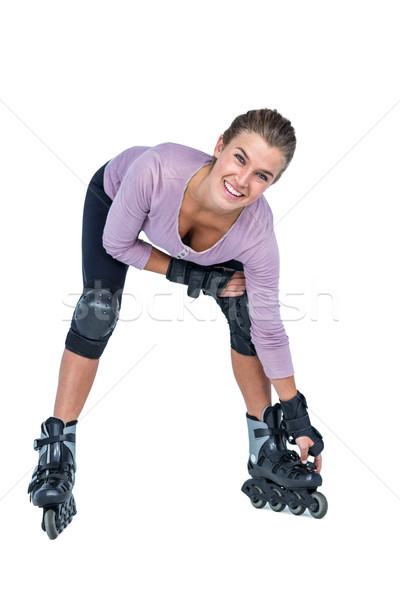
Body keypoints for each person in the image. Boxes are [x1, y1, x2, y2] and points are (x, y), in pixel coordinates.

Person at [28, 108, 326, 538]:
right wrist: (197, 276)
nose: (243, 181)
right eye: (240, 158)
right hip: (115, 203)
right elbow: (117, 243)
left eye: (262, 176)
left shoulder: (256, 233)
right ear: (220, 145)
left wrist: (297, 418)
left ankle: (266, 447)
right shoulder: (157, 169)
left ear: (272, 185)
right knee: (97, 310)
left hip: (205, 249)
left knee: (246, 317)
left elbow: (270, 328)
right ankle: (57, 450)